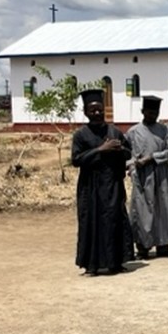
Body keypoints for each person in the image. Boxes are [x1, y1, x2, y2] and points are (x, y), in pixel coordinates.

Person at [71, 89, 134, 275]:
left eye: (100, 110)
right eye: (93, 111)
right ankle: (92, 264)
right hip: (90, 187)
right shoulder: (80, 135)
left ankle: (116, 262)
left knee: (114, 220)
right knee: (92, 222)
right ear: (85, 112)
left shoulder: (114, 131)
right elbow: (76, 160)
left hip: (112, 184)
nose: (97, 113)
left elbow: (129, 153)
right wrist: (101, 149)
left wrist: (119, 148)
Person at [125, 95, 168, 259]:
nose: (152, 115)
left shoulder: (164, 130)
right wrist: (133, 165)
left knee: (164, 208)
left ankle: (164, 246)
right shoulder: (133, 132)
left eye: (155, 112)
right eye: (149, 112)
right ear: (143, 111)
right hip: (142, 177)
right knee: (142, 211)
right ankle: (143, 247)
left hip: (162, 175)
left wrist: (152, 158)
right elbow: (125, 154)